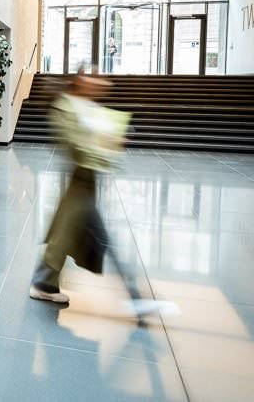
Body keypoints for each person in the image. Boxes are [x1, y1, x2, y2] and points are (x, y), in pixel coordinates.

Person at [30, 71, 176, 318]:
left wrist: (111, 140)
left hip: (85, 187)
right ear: (79, 80)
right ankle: (136, 299)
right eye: (94, 77)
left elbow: (96, 138)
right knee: (107, 242)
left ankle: (43, 282)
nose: (101, 82)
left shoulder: (87, 107)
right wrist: (102, 146)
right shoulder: (64, 108)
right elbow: (74, 147)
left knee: (64, 239)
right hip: (80, 188)